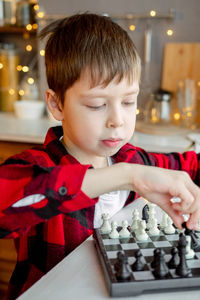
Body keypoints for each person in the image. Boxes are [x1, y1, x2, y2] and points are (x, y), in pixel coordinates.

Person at [0, 13, 200, 299]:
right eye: (96, 105)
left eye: (129, 101)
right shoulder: (38, 166)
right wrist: (128, 176)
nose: (117, 120)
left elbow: (189, 166)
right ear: (57, 105)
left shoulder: (132, 158)